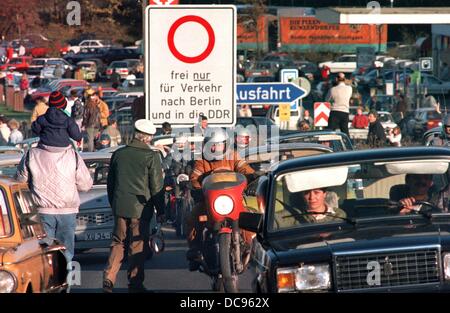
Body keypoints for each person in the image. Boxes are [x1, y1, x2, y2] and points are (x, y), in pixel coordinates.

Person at [103, 119, 165, 293]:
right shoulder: (151, 156)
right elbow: (156, 187)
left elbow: (111, 184)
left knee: (118, 242)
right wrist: (161, 210)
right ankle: (135, 283)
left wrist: (114, 204)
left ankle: (109, 278)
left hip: (120, 206)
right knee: (137, 245)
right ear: (147, 138)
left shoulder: (118, 154)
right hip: (141, 208)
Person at [186, 128, 257, 270]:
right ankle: (195, 249)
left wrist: (252, 178)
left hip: (233, 199)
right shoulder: (202, 160)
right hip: (210, 201)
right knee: (193, 215)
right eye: (211, 144)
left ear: (225, 144)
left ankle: (251, 247)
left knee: (249, 214)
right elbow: (194, 178)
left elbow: (245, 170)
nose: (214, 148)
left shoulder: (233, 156)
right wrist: (197, 188)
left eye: (218, 144)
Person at [15, 132, 93, 262]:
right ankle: (66, 278)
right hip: (67, 211)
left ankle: (48, 279)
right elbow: (85, 185)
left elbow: (19, 181)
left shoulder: (31, 154)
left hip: (41, 210)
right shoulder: (73, 155)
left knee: (44, 253)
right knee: (66, 253)